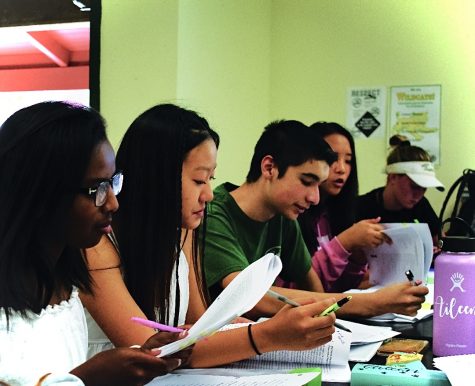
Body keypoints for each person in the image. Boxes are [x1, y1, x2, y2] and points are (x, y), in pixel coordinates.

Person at [80, 104, 336, 369]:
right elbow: (151, 353)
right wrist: (269, 334)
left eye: (211, 179)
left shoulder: (182, 231)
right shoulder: (98, 246)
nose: (209, 194)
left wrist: (265, 328)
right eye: (200, 180)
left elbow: (201, 326)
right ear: (158, 178)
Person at [0, 101, 187, 386]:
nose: (113, 202)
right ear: (42, 191)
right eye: (97, 189)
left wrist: (138, 358)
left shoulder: (66, 281)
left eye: (114, 183)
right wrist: (88, 379)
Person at [204, 120, 428, 319]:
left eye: (318, 184)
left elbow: (314, 289)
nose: (315, 197)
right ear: (269, 167)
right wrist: (372, 303)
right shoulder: (214, 215)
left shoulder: (282, 217)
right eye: (307, 181)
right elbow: (250, 298)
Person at [296, 122, 391, 293]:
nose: (341, 169)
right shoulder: (292, 213)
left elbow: (339, 288)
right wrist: (345, 243)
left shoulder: (333, 212)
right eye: (333, 158)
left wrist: (357, 258)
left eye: (348, 161)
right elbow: (300, 290)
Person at [357, 135, 444, 247]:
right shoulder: (362, 207)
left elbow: (443, 244)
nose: (419, 195)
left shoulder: (422, 205)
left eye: (424, 188)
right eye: (414, 186)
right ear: (392, 177)